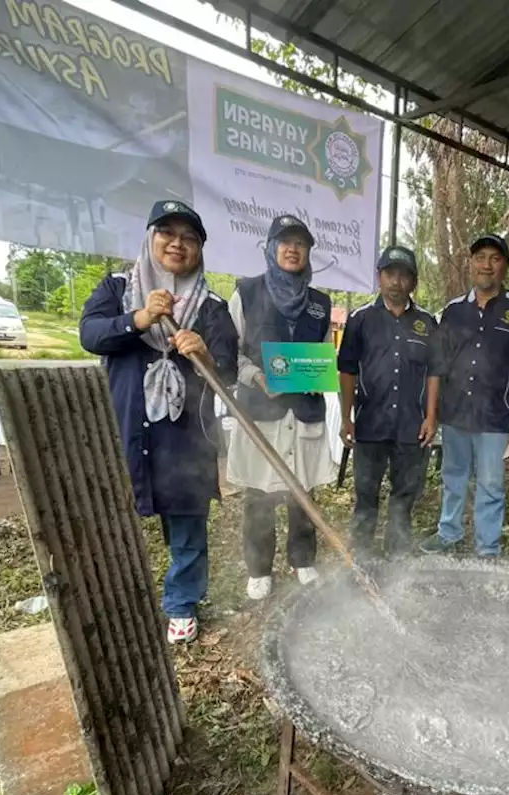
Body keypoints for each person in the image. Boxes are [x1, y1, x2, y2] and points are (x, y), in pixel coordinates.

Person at [80, 199, 238, 643]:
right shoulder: (118, 288)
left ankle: (182, 603)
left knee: (188, 522)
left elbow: (227, 372)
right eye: (167, 233)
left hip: (187, 438)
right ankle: (114, 601)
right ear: (150, 239)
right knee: (115, 519)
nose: (177, 244)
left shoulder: (212, 307)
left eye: (189, 237)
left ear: (200, 250)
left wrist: (204, 352)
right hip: (126, 427)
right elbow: (91, 335)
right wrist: (140, 319)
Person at [227, 214, 337, 600]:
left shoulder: (321, 303)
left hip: (303, 413)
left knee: (302, 492)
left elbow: (323, 357)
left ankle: (303, 559)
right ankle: (259, 570)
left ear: (308, 253)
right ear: (271, 249)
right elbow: (230, 355)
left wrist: (316, 373)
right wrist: (257, 378)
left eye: (301, 244)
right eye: (285, 242)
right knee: (259, 494)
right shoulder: (247, 292)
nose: (293, 249)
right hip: (261, 411)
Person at [420, 233, 509, 557]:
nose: (486, 265)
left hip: (495, 417)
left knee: (491, 484)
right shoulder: (453, 311)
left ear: (505, 266)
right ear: (471, 263)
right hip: (456, 413)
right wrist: (432, 415)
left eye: (495, 258)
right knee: (453, 476)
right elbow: (436, 366)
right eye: (480, 258)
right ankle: (449, 533)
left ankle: (487, 549)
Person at [337, 246, 438, 557]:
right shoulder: (360, 319)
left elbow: (435, 372)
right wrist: (346, 418)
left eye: (404, 275)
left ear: (414, 282)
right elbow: (348, 371)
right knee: (366, 495)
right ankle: (362, 557)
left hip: (412, 427)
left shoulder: (427, 323)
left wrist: (431, 417)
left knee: (404, 496)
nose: (396, 281)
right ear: (379, 277)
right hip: (370, 424)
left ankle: (397, 555)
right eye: (389, 273)